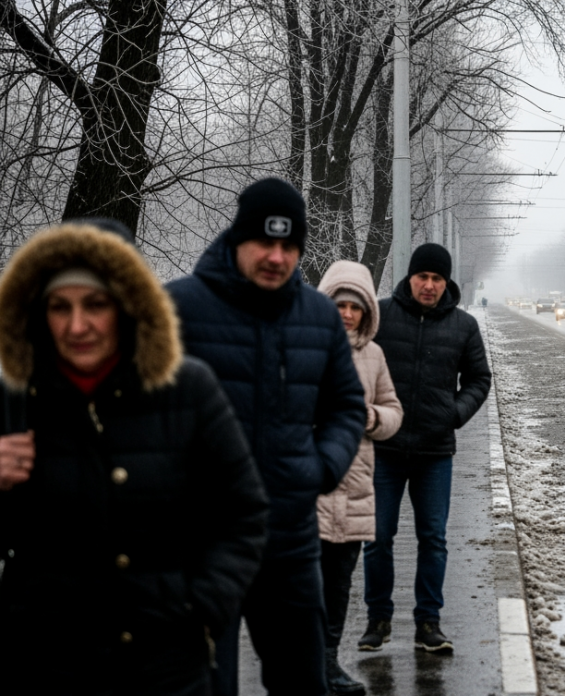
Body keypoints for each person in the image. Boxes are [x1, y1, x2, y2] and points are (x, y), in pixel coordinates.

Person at [0, 222, 268, 695]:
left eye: (96, 304)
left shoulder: (188, 389)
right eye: (59, 307)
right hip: (46, 666)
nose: (76, 326)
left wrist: (202, 608)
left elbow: (243, 512)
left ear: (128, 305)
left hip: (167, 667)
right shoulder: (14, 398)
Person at [167, 178, 367, 696]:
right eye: (265, 243)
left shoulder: (318, 316)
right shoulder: (176, 309)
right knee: (205, 685)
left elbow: (346, 405)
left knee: (303, 681)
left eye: (289, 245)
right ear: (237, 239)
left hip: (290, 539)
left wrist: (321, 468)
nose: (277, 257)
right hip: (201, 540)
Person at [360, 243, 491, 653]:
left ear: (446, 282)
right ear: (410, 277)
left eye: (437, 279)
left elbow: (479, 380)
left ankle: (428, 623)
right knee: (377, 536)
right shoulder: (380, 317)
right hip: (384, 448)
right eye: (423, 277)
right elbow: (355, 363)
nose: (430, 285)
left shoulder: (464, 326)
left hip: (435, 451)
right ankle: (377, 619)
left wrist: (453, 414)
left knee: (433, 538)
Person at [316, 260, 404, 696]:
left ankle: (329, 663)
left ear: (367, 310)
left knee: (338, 584)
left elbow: (393, 412)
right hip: (309, 487)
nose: (347, 313)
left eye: (355, 306)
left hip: (355, 489)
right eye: (339, 304)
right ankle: (304, 665)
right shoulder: (302, 347)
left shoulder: (373, 356)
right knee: (302, 585)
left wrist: (369, 416)